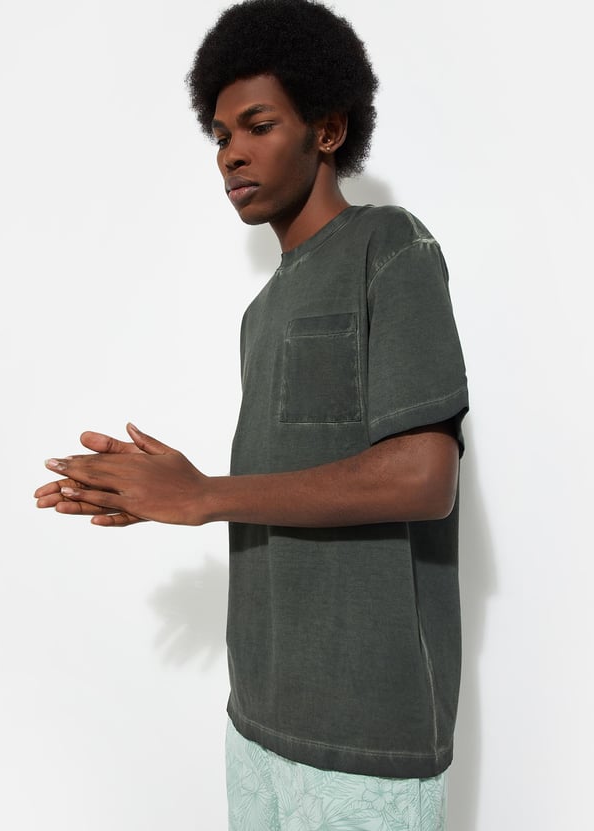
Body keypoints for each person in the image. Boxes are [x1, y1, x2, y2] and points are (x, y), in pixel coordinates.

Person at [35, 1, 469, 827]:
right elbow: (286, 480)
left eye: (258, 125)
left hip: (364, 737)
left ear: (327, 130)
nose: (230, 152)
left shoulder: (390, 245)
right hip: (257, 718)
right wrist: (160, 491)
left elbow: (424, 476)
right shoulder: (260, 310)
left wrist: (204, 494)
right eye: (220, 135)